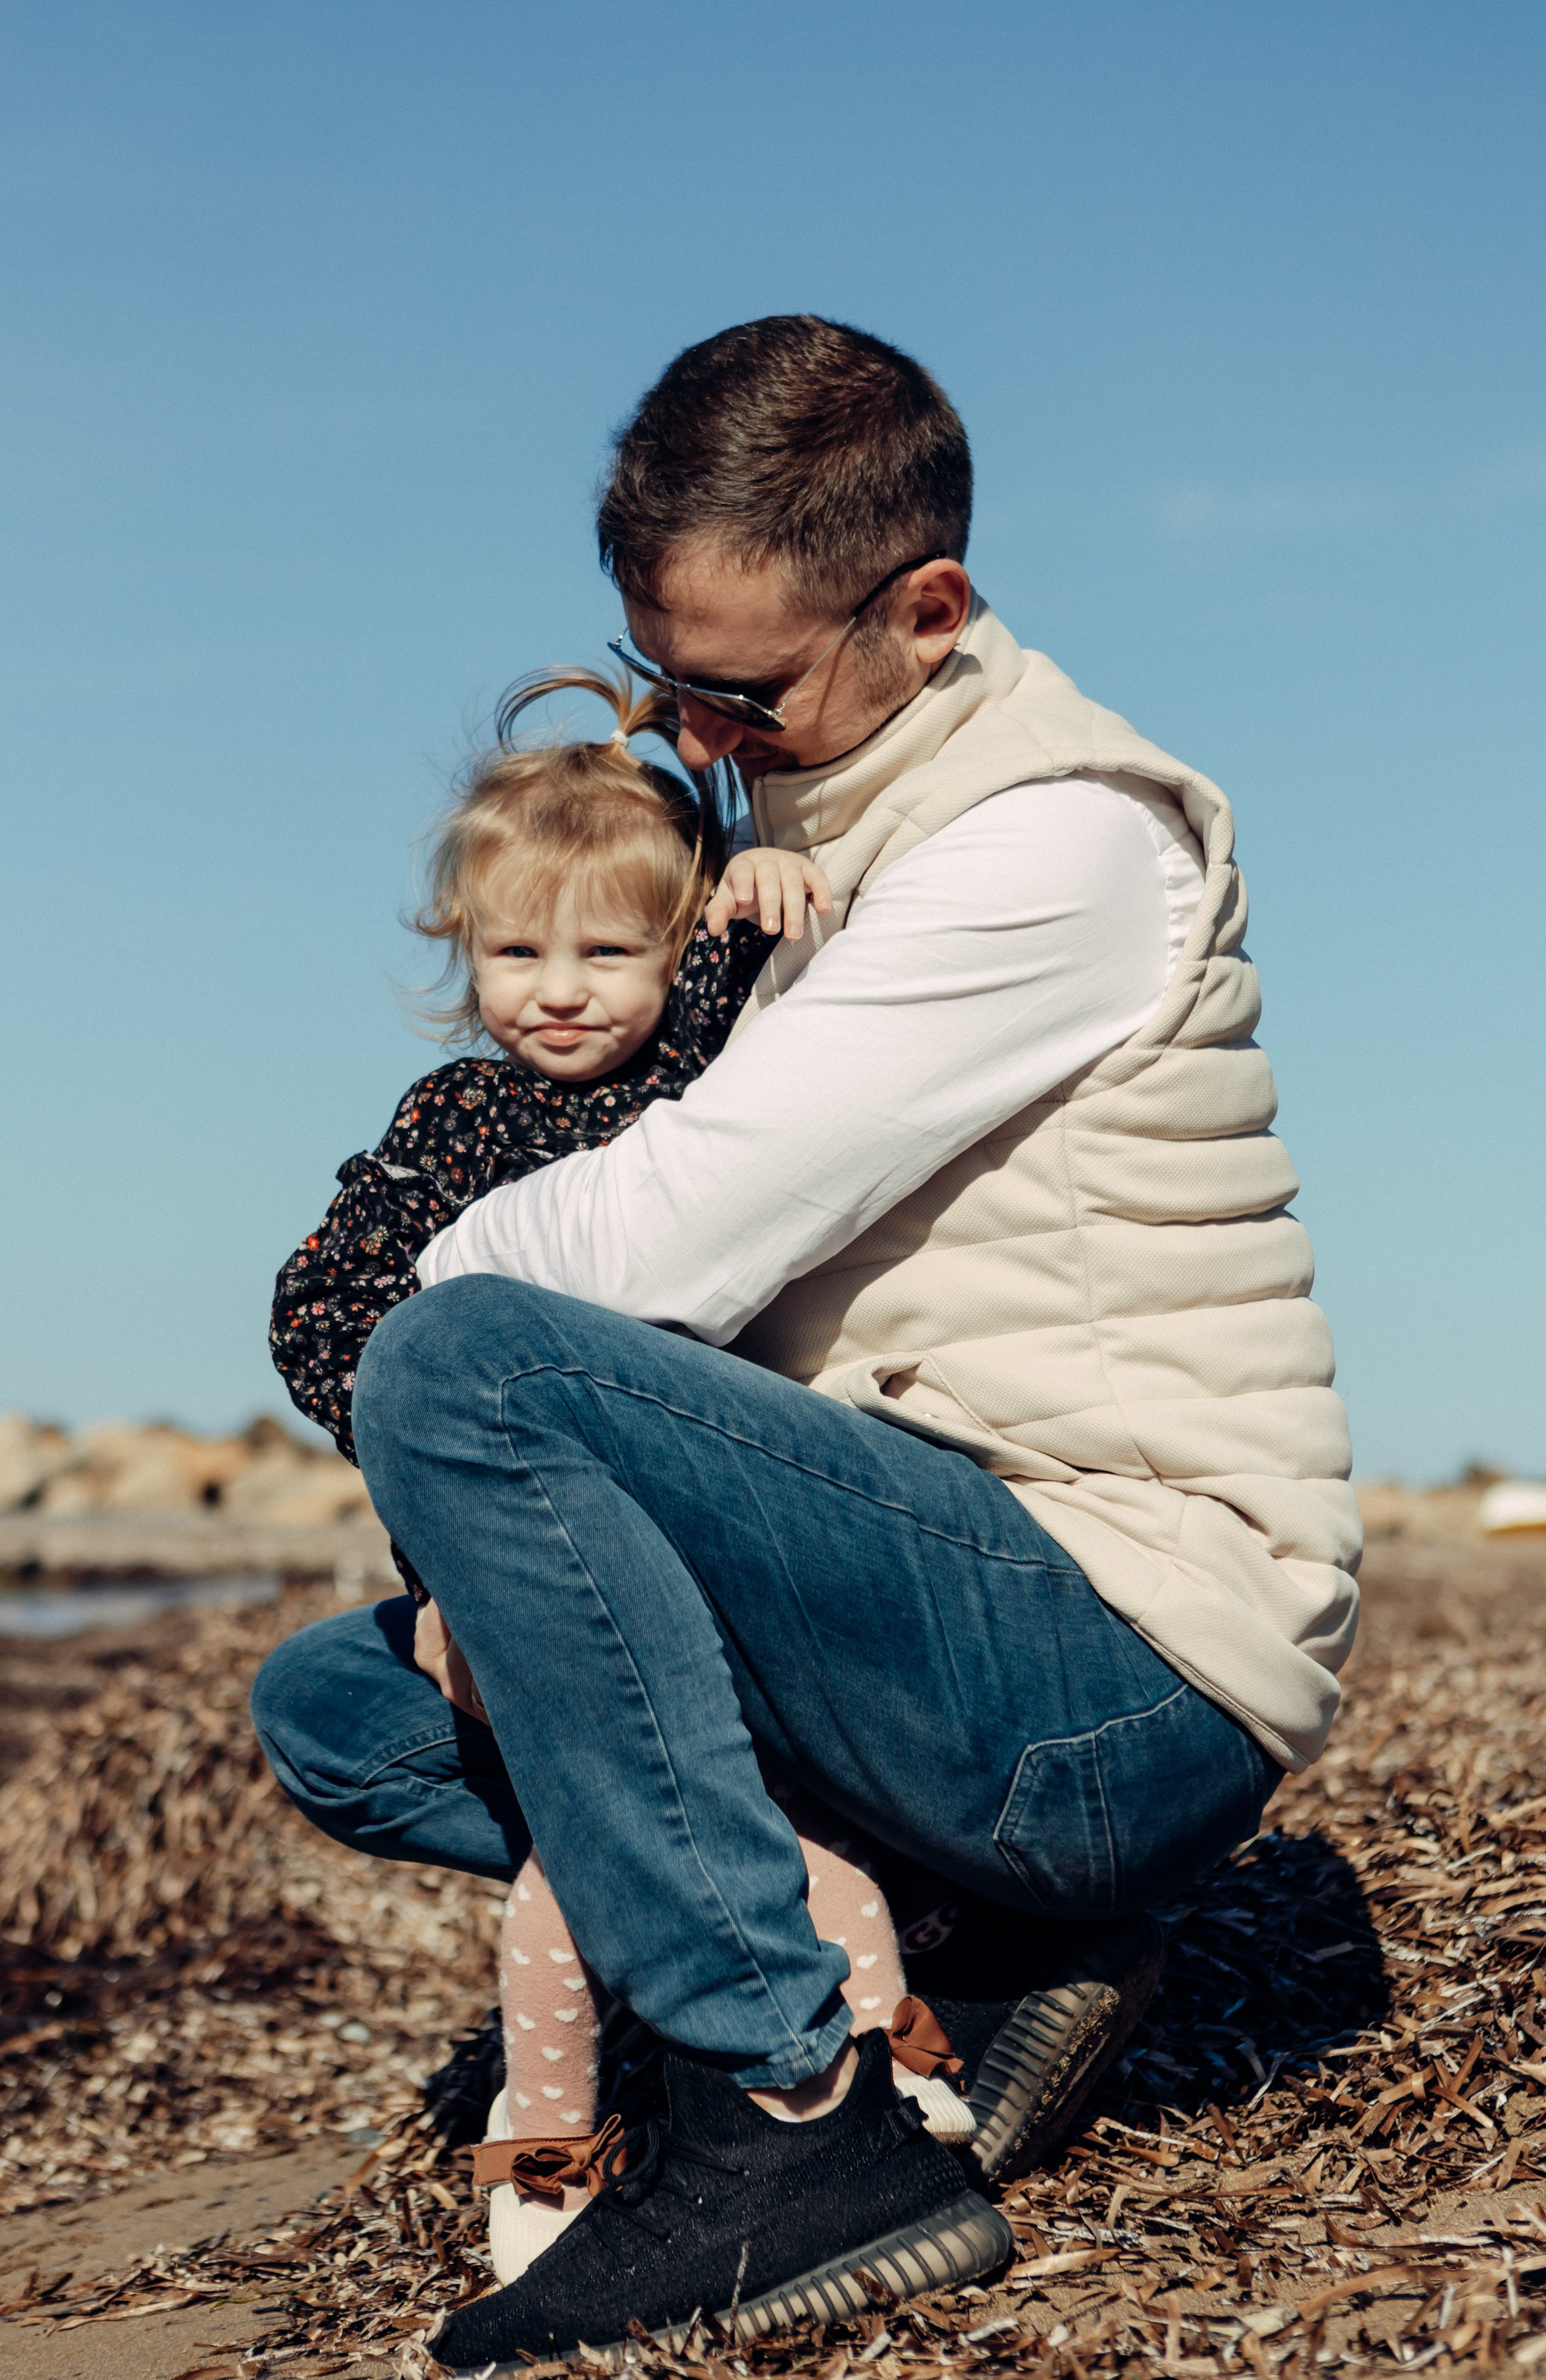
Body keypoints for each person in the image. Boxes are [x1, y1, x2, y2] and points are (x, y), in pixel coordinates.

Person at [252, 316, 1360, 2371]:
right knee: (343, 1707)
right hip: (924, 1594)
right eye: (658, 677)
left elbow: (656, 1244)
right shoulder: (779, 834)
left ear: (923, 609)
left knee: (468, 1364)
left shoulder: (1049, 842)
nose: (691, 731)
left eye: (732, 691)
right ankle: (957, 1931)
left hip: (1112, 1657)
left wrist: (408, 1308)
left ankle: (793, 2117)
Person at [264, 663, 970, 2287]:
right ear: (464, 955)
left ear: (671, 952)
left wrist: (758, 902)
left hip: (707, 1542)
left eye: (608, 950)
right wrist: (442, 1551)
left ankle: (849, 2050)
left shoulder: (708, 1071)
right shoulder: (452, 1121)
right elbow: (324, 1304)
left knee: (657, 1810)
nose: (558, 991)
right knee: (419, 1750)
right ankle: (796, 2005)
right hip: (516, 1557)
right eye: (517, 952)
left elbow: (789, 1026)